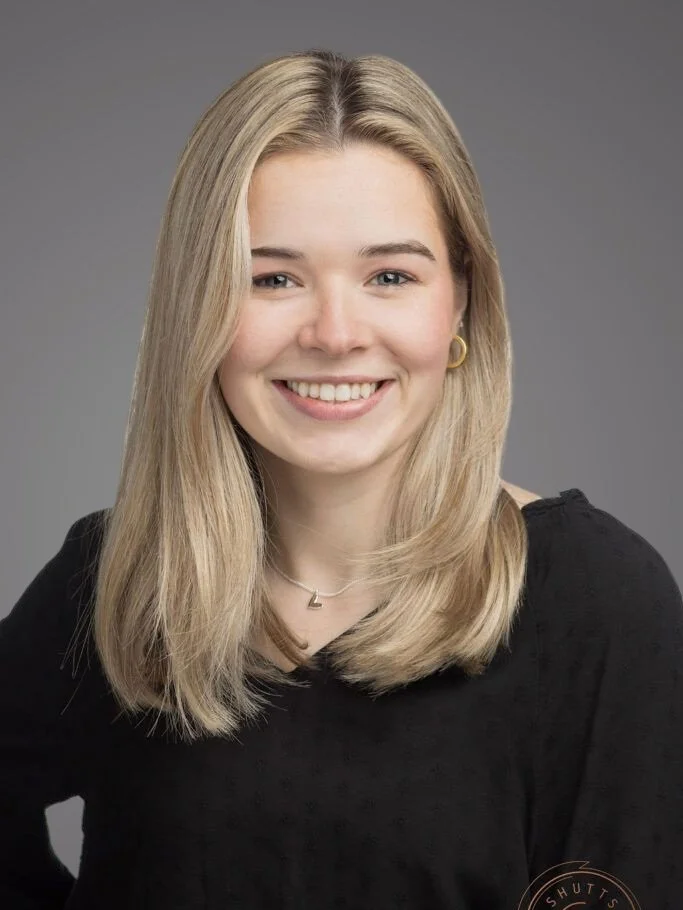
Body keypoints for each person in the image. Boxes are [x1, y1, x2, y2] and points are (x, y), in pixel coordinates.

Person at [1, 48, 682, 910]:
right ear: (196, 307)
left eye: (389, 276)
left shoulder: (594, 600)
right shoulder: (118, 579)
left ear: (460, 299)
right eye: (272, 278)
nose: (333, 333)